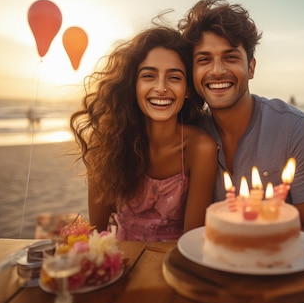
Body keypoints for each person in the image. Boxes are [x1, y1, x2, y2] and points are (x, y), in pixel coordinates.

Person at [178, 0, 304, 247]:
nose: (217, 70)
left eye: (230, 57)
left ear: (251, 67)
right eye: (203, 60)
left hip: (283, 275)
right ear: (192, 72)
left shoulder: (298, 131)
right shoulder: (189, 135)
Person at [70, 25, 218, 242]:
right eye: (148, 76)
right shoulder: (106, 142)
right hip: (120, 264)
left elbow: (191, 242)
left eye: (174, 78)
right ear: (134, 84)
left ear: (187, 89)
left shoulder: (200, 149)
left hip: (174, 266)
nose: (161, 87)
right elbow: (96, 236)